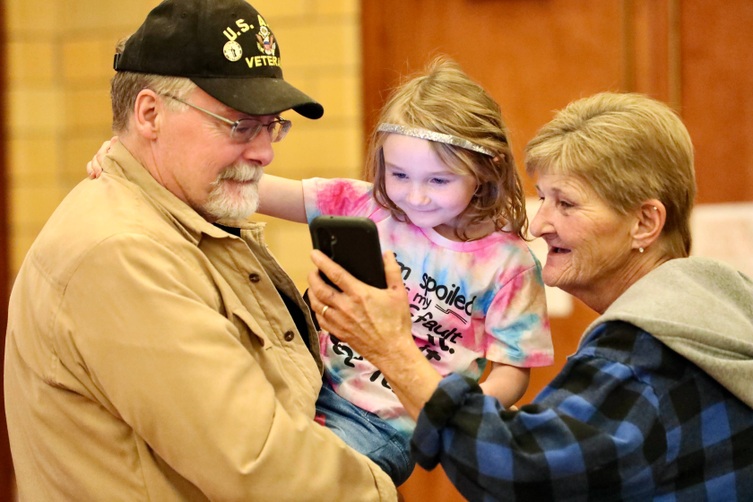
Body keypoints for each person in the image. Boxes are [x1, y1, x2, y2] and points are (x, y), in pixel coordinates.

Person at [86, 56, 555, 486]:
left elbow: (513, 370)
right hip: (306, 387)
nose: (415, 196)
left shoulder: (508, 265)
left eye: (438, 180)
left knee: (303, 484)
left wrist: (458, 413)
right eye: (399, 175)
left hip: (389, 424)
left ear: (486, 170)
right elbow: (243, 186)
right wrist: (141, 163)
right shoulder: (361, 204)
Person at [3, 0, 396, 500]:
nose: (265, 151)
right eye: (239, 125)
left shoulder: (180, 216)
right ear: (150, 114)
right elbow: (259, 461)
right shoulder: (122, 252)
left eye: (271, 124)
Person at [304, 92, 753, 500]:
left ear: (644, 223)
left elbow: (518, 470)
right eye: (543, 198)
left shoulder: (644, 354)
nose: (538, 225)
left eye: (567, 203)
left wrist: (393, 350)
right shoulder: (713, 311)